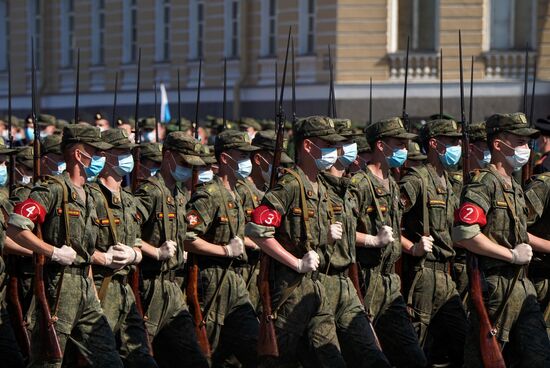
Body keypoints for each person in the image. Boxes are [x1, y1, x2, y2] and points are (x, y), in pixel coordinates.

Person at [7, 124, 124, 367]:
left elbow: (87, 251)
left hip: (84, 286)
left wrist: (91, 286)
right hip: (58, 287)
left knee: (109, 359)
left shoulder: (90, 194)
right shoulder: (52, 189)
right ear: (79, 155)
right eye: (96, 152)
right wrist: (51, 252)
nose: (102, 158)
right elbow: (16, 227)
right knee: (49, 361)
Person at [246, 116, 349, 367]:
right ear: (307, 146)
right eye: (326, 144)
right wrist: (295, 262)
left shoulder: (321, 187)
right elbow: (257, 230)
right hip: (289, 290)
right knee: (278, 359)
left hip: (316, 288)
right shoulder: (290, 185)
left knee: (331, 358)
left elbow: (304, 233)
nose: (332, 150)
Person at [454, 112, 550, 366]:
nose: (526, 148)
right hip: (496, 287)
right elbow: (465, 234)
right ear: (498, 144)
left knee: (538, 356)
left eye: (527, 142)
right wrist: (510, 255)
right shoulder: (484, 183)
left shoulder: (514, 186)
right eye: (519, 141)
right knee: (485, 360)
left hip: (521, 283)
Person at [351, 117, 426, 367]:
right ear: (381, 146)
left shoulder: (392, 183)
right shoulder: (360, 184)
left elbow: (394, 231)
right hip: (365, 278)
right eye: (399, 143)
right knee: (368, 357)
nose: (405, 149)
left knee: (412, 356)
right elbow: (343, 231)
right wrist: (372, 240)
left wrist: (411, 247)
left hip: (389, 281)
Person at [318, 118, 391, 367]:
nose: (350, 147)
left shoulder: (347, 187)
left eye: (350, 142)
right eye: (343, 142)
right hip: (320, 280)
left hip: (347, 282)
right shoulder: (314, 188)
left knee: (372, 356)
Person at [185, 130, 260, 366]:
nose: (247, 161)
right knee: (209, 352)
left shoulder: (236, 194)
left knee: (255, 349)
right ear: (226, 159)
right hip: (212, 280)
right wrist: (225, 251)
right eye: (242, 155)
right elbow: (187, 238)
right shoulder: (209, 195)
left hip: (235, 281)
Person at [134, 132, 208, 368]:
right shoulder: (150, 192)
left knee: (193, 357)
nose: (189, 170)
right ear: (168, 157)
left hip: (174, 286)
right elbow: (128, 233)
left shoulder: (179, 194)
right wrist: (155, 252)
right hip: (151, 286)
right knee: (140, 354)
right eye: (184, 163)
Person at [399, 118, 468, 367]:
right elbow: (387, 223)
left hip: (446, 277)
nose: (456, 147)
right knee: (415, 349)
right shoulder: (417, 180)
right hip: (423, 275)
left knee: (463, 340)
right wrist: (411, 247)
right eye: (451, 142)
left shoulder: (450, 183)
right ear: (435, 144)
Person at [88, 128, 157, 367]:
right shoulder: (91, 196)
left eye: (129, 151)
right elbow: (75, 245)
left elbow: (137, 242)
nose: (128, 157)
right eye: (122, 152)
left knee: (142, 357)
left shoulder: (129, 200)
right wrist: (102, 258)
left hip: (125, 290)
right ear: (104, 156)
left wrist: (134, 254)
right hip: (98, 289)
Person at [237, 130, 293, 312]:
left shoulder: (271, 191)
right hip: (244, 271)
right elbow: (233, 233)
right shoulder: (241, 190)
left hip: (265, 272)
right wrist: (254, 241)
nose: (280, 168)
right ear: (259, 159)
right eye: (275, 161)